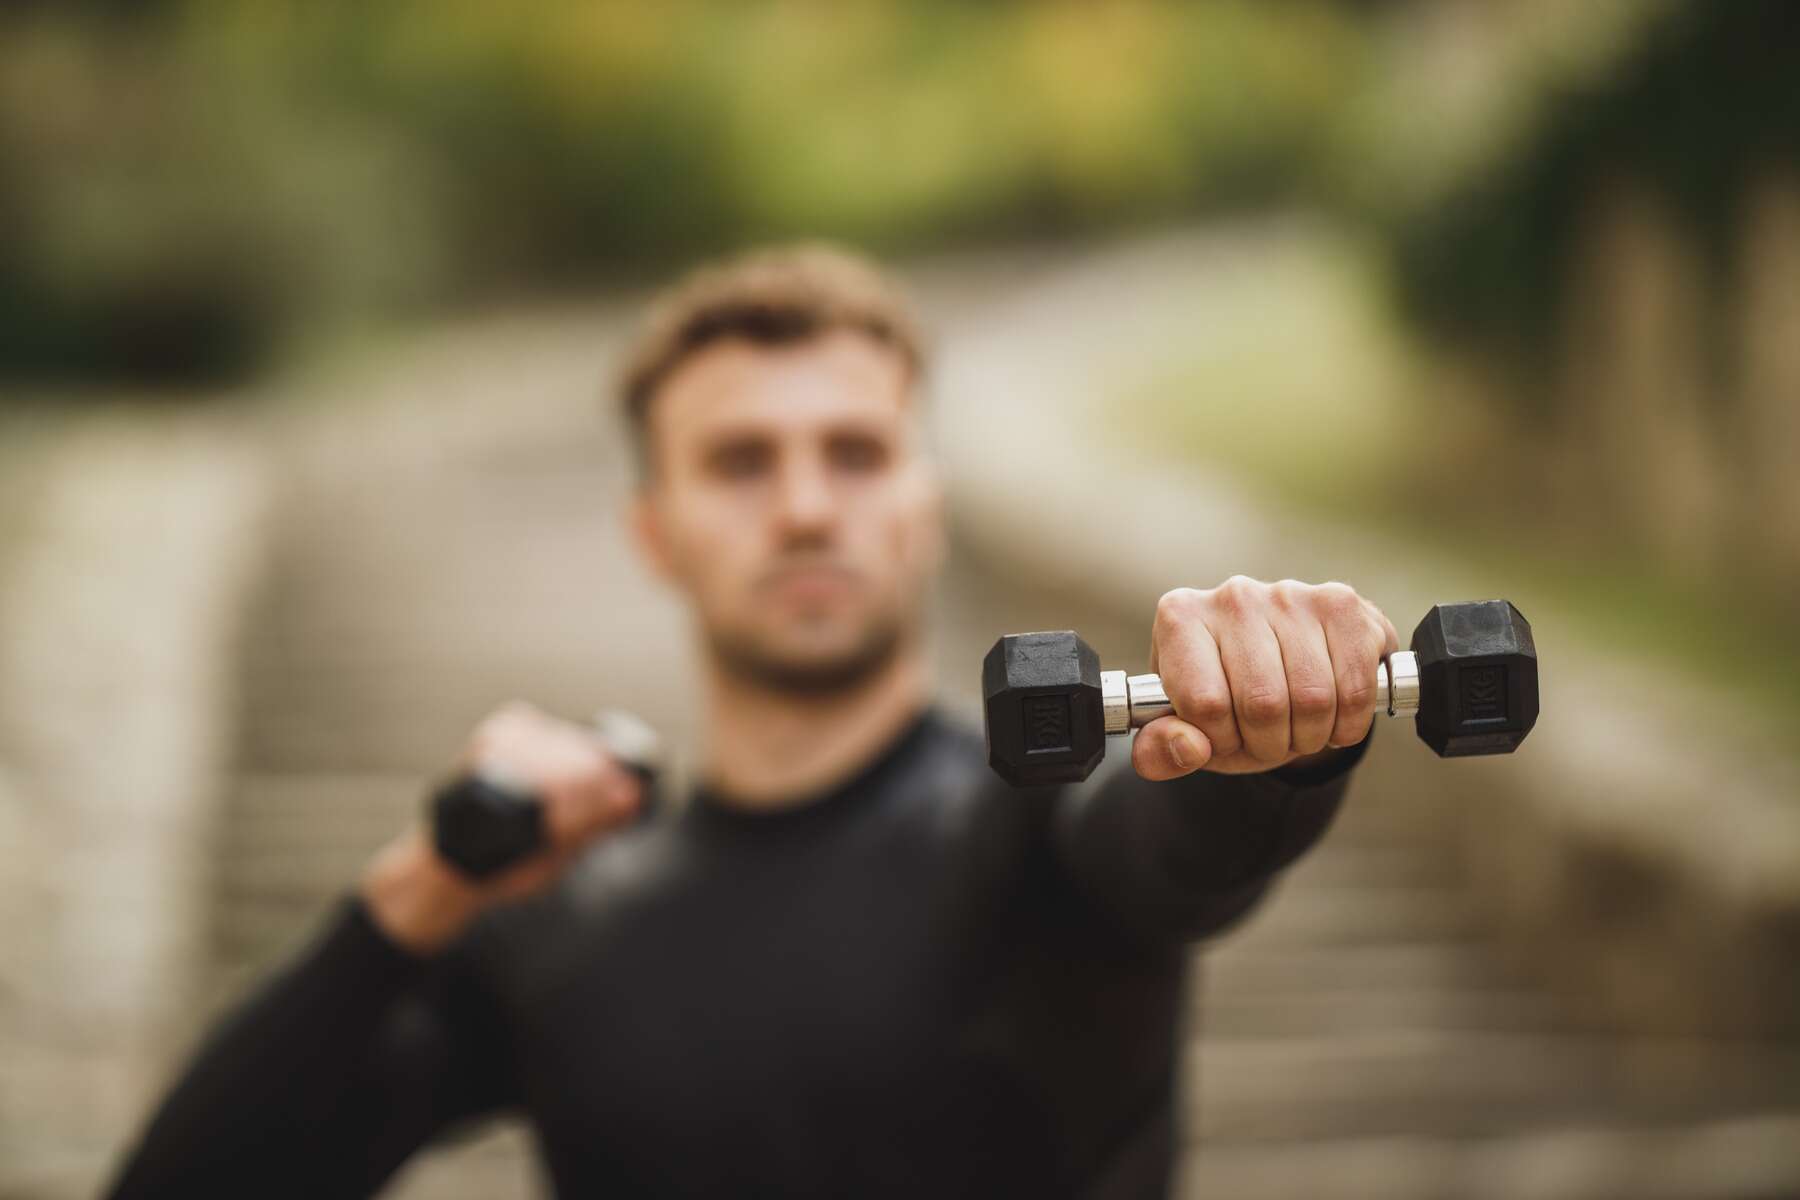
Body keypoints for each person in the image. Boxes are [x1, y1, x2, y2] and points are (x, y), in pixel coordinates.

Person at [106, 245, 1399, 1199]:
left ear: (923, 507)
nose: (803, 507)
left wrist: (1276, 753)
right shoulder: (556, 916)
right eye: (739, 461)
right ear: (653, 533)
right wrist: (422, 888)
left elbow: (1180, 834)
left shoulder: (1035, 823)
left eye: (854, 454)